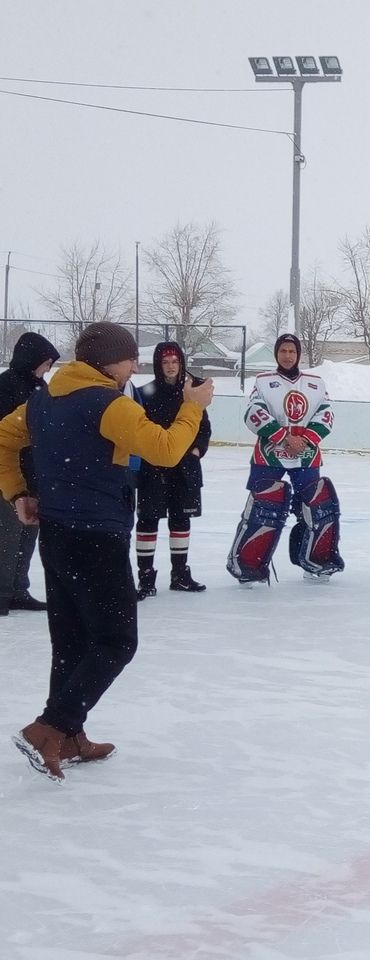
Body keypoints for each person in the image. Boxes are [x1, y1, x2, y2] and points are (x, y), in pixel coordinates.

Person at [0, 321, 214, 782]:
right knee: (117, 641)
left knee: (72, 642)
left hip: (57, 535)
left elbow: (2, 438)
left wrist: (18, 492)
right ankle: (49, 728)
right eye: (128, 358)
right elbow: (164, 449)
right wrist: (192, 409)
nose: (134, 365)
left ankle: (70, 735)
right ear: (107, 362)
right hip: (95, 536)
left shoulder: (44, 399)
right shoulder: (108, 403)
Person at [227, 333, 344, 584]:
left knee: (313, 511)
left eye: (292, 351)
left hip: (306, 455)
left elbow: (326, 415)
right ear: (276, 354)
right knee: (262, 510)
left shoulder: (316, 384)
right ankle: (249, 565)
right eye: (283, 351)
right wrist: (283, 437)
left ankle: (314, 562)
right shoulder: (263, 380)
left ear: (298, 354)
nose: (288, 356)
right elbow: (253, 412)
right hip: (269, 455)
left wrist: (305, 440)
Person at [134, 341, 212, 599]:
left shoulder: (192, 392)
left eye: (174, 362)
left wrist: (196, 451)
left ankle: (180, 574)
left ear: (181, 363)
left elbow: (203, 427)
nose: (170, 367)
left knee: (181, 518)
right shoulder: (144, 393)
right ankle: (145, 578)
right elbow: (138, 429)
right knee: (148, 520)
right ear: (158, 364)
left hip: (184, 468)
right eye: (165, 362)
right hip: (152, 468)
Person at [0, 332, 59, 616]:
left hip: (37, 474)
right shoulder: (5, 385)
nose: (47, 369)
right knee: (8, 536)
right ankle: (2, 592)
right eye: (45, 363)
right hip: (10, 477)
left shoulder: (42, 389)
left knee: (28, 533)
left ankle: (18, 589)